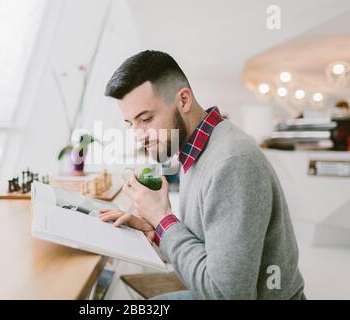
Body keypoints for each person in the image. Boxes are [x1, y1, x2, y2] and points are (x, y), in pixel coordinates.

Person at [99, 50, 305, 300]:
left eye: (146, 118)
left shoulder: (232, 163)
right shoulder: (193, 150)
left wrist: (163, 219)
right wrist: (158, 231)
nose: (138, 135)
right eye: (131, 123)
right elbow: (208, 248)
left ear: (183, 100)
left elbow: (227, 294)